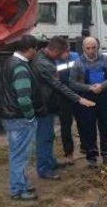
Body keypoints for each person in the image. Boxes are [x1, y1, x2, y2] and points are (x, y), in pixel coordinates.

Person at [30, 37, 96, 180]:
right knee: (44, 138)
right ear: (54, 50)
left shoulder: (43, 56)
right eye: (61, 54)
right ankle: (44, 169)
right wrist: (79, 99)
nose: (62, 57)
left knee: (49, 136)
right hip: (43, 106)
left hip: (49, 103)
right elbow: (58, 85)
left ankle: (50, 162)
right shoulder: (43, 63)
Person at [0, 34, 39, 201]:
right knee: (19, 155)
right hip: (19, 118)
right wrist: (30, 116)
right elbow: (23, 98)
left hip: (8, 115)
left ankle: (21, 183)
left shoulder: (9, 62)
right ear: (30, 50)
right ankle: (18, 191)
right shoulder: (21, 67)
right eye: (35, 50)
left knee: (17, 153)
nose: (36, 53)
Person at [70, 37, 107, 168]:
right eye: (88, 48)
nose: (91, 51)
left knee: (105, 126)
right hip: (87, 99)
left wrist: (102, 86)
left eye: (94, 47)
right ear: (83, 48)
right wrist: (89, 87)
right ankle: (91, 156)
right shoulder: (78, 63)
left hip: (103, 98)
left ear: (98, 47)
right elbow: (72, 82)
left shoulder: (105, 60)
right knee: (88, 127)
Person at [55, 49, 83, 164]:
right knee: (66, 126)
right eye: (61, 53)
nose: (64, 55)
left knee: (83, 122)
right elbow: (55, 81)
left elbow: (82, 74)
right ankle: (69, 153)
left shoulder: (76, 56)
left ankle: (85, 146)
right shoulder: (54, 61)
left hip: (77, 95)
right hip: (63, 97)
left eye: (66, 52)